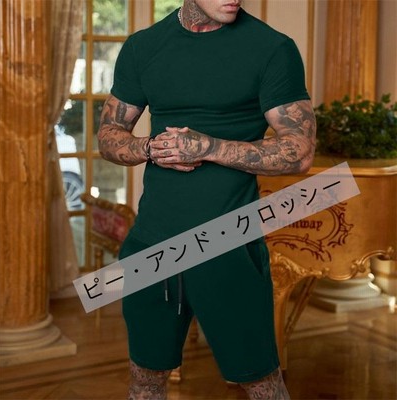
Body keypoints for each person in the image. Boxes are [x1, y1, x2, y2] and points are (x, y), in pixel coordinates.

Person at [97, 0, 316, 399]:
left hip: (227, 242)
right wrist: (149, 147)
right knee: (145, 379)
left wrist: (209, 148)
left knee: (262, 383)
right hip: (153, 240)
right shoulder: (143, 46)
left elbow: (300, 152)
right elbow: (109, 135)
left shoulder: (272, 48)